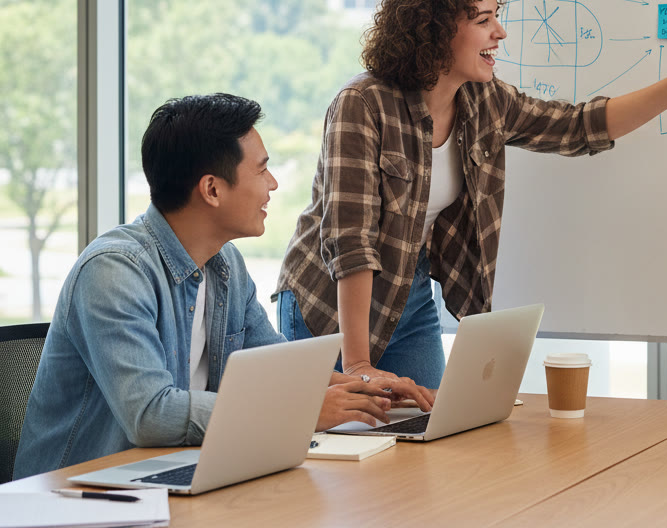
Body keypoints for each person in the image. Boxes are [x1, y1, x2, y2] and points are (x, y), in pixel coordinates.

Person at [274, 0, 667, 388]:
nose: (500, 32)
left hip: (407, 294)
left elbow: (581, 126)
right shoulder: (363, 104)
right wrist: (357, 366)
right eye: (483, 21)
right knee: (343, 452)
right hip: (331, 303)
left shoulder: (486, 101)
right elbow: (350, 241)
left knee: (430, 441)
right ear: (435, 32)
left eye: (496, 17)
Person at [14, 94, 433, 478]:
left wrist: (361, 386)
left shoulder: (225, 264)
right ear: (212, 189)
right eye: (263, 169)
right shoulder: (114, 272)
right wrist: (300, 411)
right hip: (82, 494)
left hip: (173, 474)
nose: (273, 185)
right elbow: (150, 414)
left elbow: (278, 368)